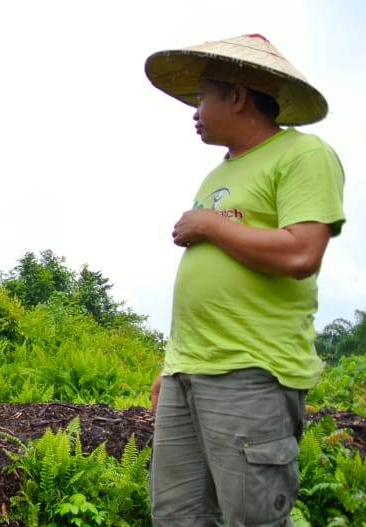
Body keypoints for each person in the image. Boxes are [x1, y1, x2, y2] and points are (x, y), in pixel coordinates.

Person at [143, 34, 346, 526]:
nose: (195, 112)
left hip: (251, 373)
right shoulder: (217, 174)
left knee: (250, 518)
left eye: (202, 97)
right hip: (188, 372)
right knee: (175, 515)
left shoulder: (302, 154)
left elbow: (302, 251)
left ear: (237, 96)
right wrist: (173, 364)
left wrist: (209, 224)